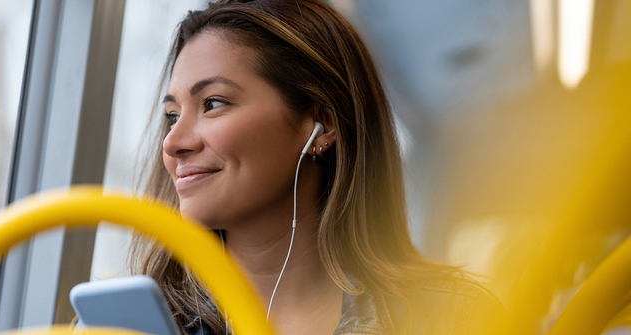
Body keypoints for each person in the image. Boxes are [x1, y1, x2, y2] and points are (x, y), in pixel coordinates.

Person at [129, 1, 504, 334]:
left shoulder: (453, 318)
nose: (173, 143)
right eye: (172, 115)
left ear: (321, 124)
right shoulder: (128, 326)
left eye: (213, 103)